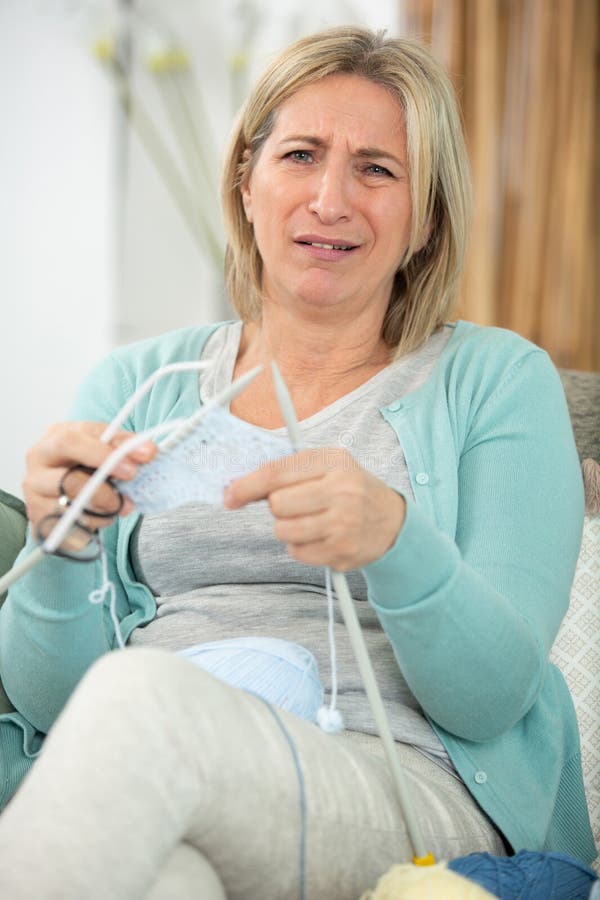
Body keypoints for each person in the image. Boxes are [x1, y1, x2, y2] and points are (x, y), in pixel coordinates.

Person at [0, 24, 595, 900]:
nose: (330, 199)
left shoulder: (496, 381)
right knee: (167, 878)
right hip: (156, 766)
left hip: (404, 783)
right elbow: (52, 705)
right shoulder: (135, 383)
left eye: (377, 169)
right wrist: (61, 550)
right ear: (248, 182)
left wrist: (397, 541)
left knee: (139, 700)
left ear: (426, 214)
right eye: (301, 155)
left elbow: (492, 697)